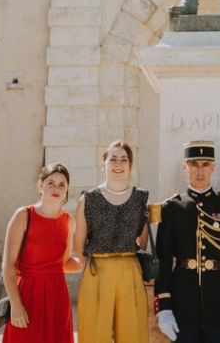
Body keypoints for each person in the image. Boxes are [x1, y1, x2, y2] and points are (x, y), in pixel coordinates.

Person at [155, 140, 220, 342]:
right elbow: (163, 261)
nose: (200, 171)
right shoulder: (171, 208)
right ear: (185, 167)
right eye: (194, 164)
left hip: (219, 300)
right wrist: (163, 307)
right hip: (183, 301)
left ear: (213, 167)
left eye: (205, 164)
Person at [74, 140, 150, 343]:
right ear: (103, 164)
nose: (118, 164)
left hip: (130, 272)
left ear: (130, 165)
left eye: (124, 160)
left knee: (132, 334)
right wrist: (96, 271)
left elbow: (142, 242)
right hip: (97, 272)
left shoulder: (141, 198)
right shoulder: (89, 199)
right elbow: (78, 245)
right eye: (113, 159)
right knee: (95, 334)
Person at [2, 163, 83, 343]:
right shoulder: (24, 215)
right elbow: (8, 264)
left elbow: (64, 263)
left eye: (62, 184)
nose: (56, 188)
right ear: (40, 186)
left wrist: (90, 261)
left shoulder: (68, 221)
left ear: (67, 189)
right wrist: (15, 304)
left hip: (57, 296)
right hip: (27, 295)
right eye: (51, 183)